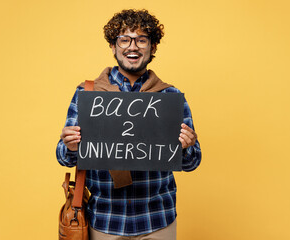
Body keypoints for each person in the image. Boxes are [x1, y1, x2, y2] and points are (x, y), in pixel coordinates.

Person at [56, 9, 201, 240]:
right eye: (124, 39)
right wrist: (71, 146)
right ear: (113, 47)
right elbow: (63, 156)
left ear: (152, 48)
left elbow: (193, 161)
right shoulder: (88, 93)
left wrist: (186, 146)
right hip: (105, 220)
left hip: (158, 219)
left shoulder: (169, 97)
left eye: (141, 40)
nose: (132, 47)